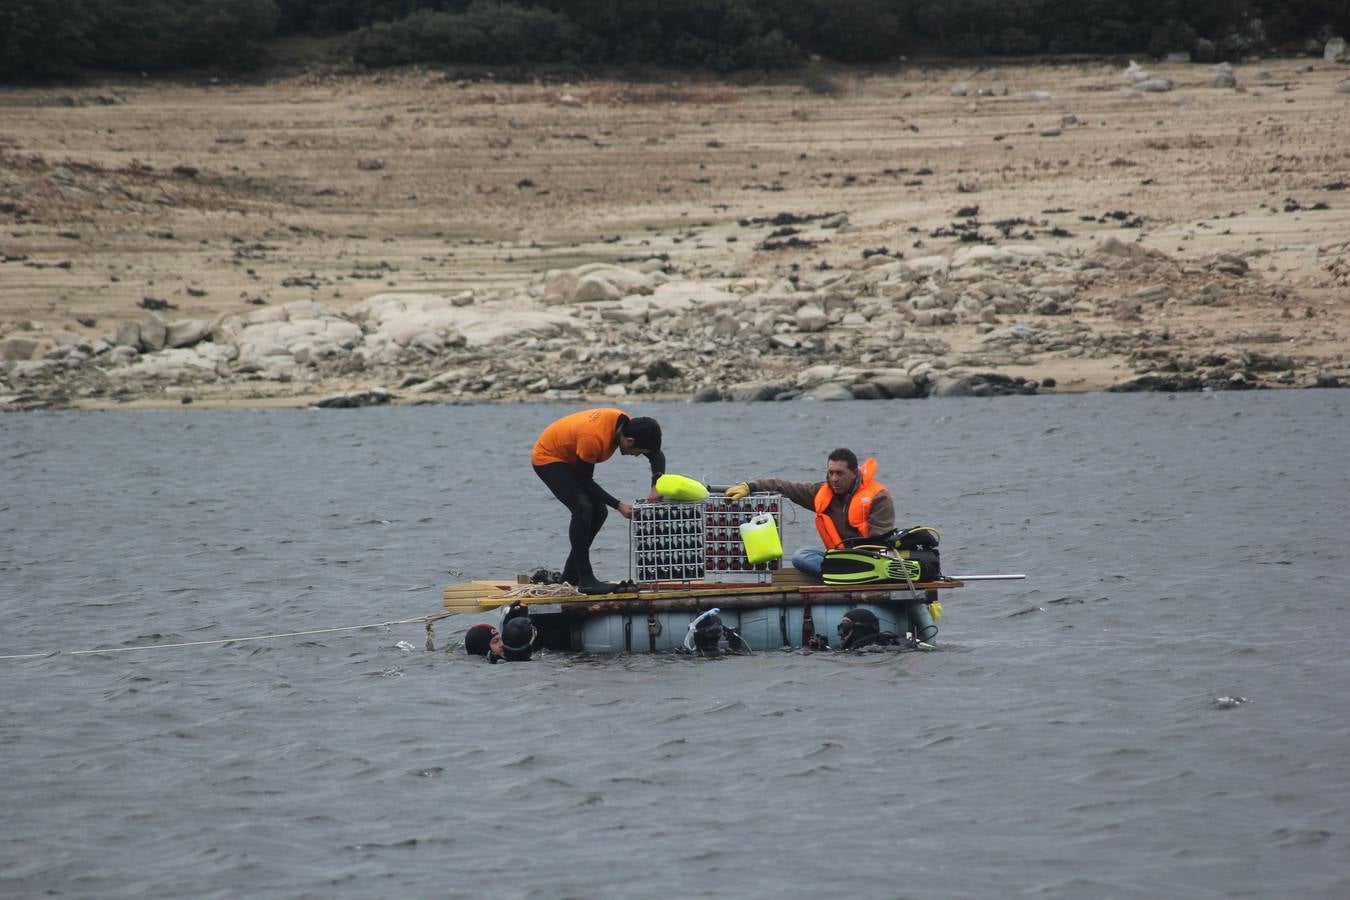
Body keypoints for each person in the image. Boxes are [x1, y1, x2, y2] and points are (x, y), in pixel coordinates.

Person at [531, 407, 665, 594]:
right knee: (583, 508)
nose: (637, 456)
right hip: (548, 456)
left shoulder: (629, 426)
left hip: (572, 454)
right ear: (629, 441)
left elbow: (657, 456)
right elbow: (585, 481)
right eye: (638, 452)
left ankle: (570, 577)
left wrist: (656, 486)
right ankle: (586, 580)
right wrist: (619, 505)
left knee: (599, 512)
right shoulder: (593, 438)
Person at [724, 447, 893, 579]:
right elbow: (783, 486)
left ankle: (843, 576)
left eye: (840, 473)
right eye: (831, 472)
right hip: (840, 561)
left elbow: (880, 544)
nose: (834, 478)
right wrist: (749, 486)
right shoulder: (821, 492)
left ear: (854, 473)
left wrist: (860, 563)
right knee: (801, 556)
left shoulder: (878, 496)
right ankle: (840, 576)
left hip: (869, 563)